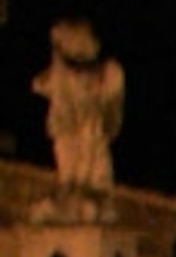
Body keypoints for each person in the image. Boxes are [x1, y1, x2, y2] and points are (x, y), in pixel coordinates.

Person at [33, 21, 124, 196]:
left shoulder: (110, 79)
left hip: (91, 141)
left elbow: (111, 123)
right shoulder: (57, 84)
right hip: (68, 135)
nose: (80, 77)